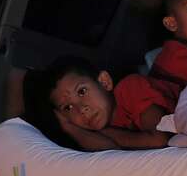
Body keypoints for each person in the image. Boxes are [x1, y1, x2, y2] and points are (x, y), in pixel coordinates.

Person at [23, 55, 175, 151]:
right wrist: (69, 127)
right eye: (68, 107)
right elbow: (109, 152)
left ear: (104, 82)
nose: (81, 109)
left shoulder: (130, 88)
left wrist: (103, 133)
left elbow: (159, 140)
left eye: (82, 92)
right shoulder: (89, 129)